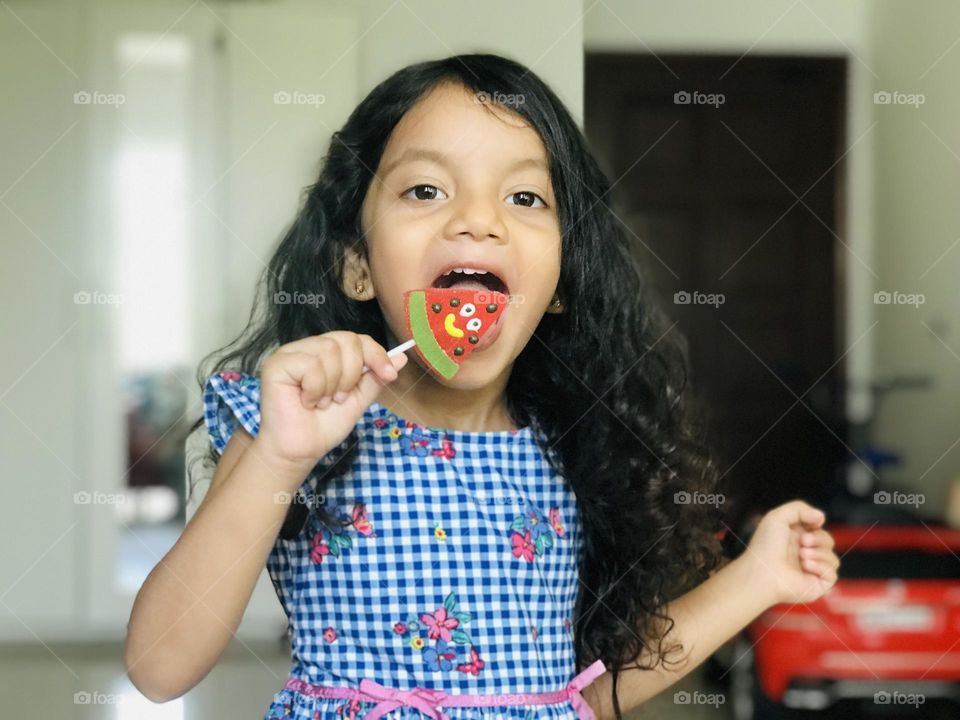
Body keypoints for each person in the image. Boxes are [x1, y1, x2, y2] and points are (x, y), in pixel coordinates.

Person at [124, 53, 840, 720]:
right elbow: (160, 666)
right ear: (357, 267)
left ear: (560, 285)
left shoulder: (575, 446)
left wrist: (759, 577)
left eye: (525, 195)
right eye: (425, 189)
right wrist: (279, 457)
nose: (476, 220)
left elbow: (590, 691)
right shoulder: (295, 423)